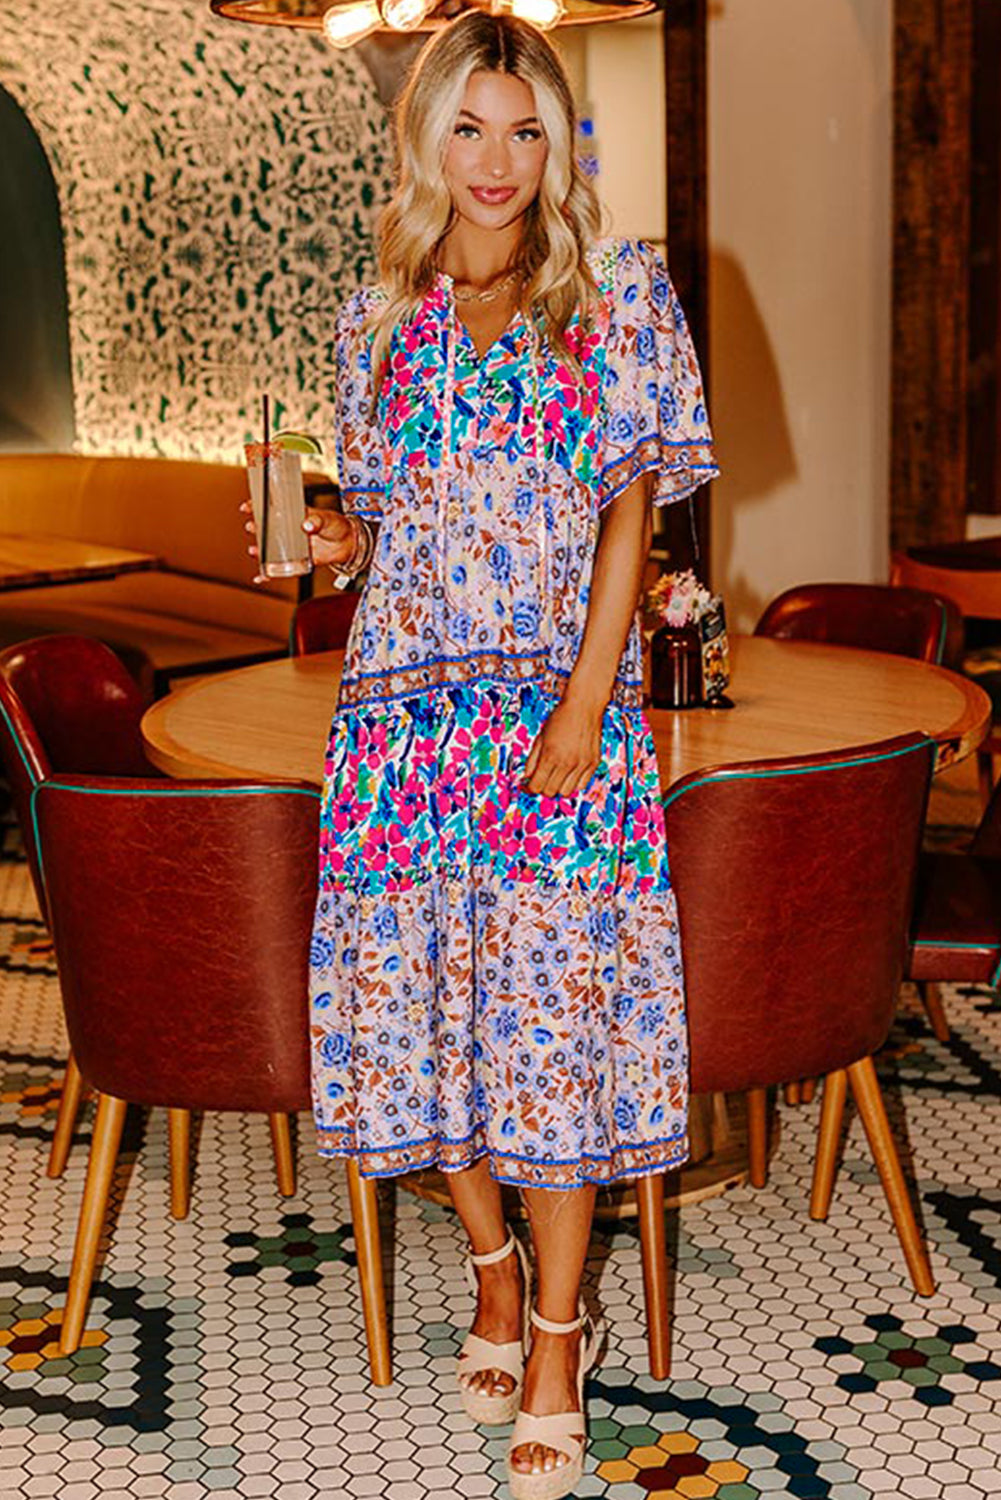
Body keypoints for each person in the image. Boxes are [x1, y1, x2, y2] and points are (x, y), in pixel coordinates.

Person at [245, 12, 716, 1497]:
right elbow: (383, 525)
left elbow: (632, 514)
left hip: (555, 726)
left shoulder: (618, 296)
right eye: (468, 127)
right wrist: (327, 539)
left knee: (550, 1041)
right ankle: (494, 1266)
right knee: (430, 1033)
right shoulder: (375, 320)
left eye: (525, 130)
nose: (497, 161)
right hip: (398, 732)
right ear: (426, 139)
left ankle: (559, 1338)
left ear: (558, 144)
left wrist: (586, 703)